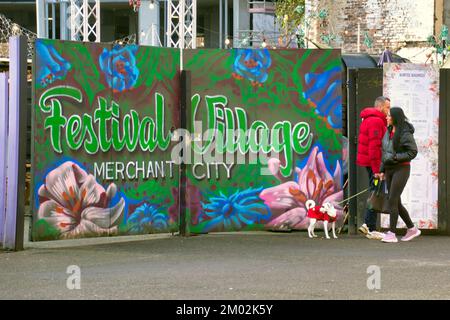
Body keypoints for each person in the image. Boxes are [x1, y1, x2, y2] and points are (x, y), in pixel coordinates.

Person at [379, 107, 420, 243]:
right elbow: (385, 152)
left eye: (389, 116)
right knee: (396, 201)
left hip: (401, 169)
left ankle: (391, 233)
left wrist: (397, 157)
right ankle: (412, 228)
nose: (386, 117)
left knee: (392, 199)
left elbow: (413, 151)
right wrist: (381, 170)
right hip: (390, 169)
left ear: (395, 117)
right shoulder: (389, 130)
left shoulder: (405, 133)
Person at [356, 96, 390, 239]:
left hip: (368, 162)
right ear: (381, 107)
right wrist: (377, 170)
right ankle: (369, 226)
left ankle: (367, 225)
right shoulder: (376, 121)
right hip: (373, 164)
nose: (389, 111)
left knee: (374, 190)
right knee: (376, 192)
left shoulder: (368, 119)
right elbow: (374, 147)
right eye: (387, 107)